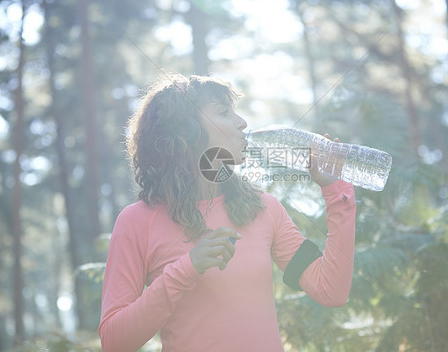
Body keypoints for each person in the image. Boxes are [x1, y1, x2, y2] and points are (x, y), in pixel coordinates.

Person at [98, 73, 356, 352]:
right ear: (187, 131)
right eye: (223, 112)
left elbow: (331, 290)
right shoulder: (137, 222)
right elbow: (114, 342)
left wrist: (335, 192)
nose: (242, 122)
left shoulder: (264, 208)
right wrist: (186, 269)